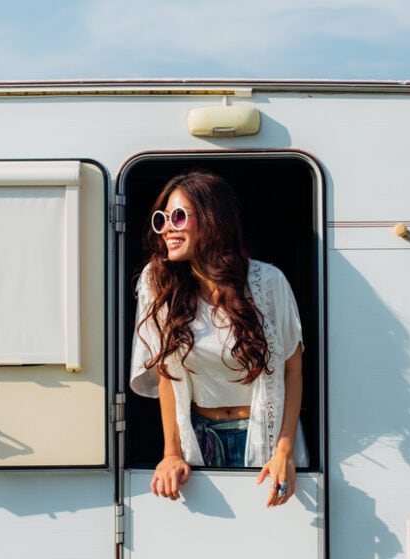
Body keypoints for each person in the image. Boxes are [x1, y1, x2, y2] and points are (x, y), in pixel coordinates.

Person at [129, 171, 308, 507]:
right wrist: (172, 453)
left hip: (264, 438)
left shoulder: (268, 282)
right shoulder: (160, 284)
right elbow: (168, 375)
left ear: (212, 220)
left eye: (178, 217)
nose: (167, 228)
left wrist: (284, 450)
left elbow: (292, 371)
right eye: (162, 219)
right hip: (200, 439)